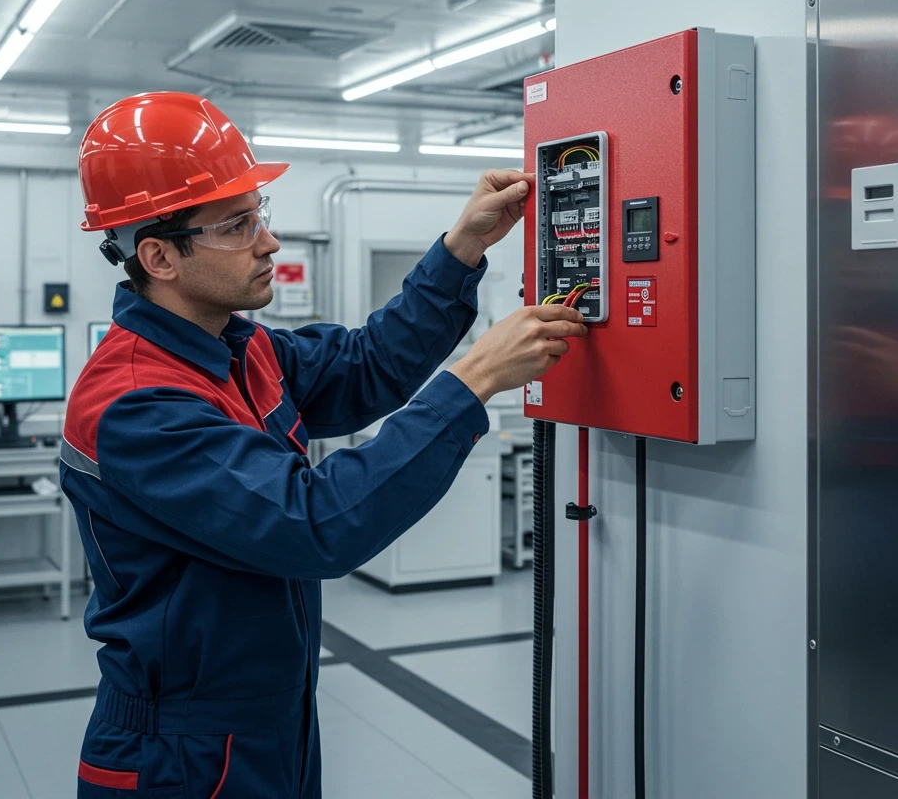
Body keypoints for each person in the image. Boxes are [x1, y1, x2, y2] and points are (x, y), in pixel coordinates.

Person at [60, 92, 584, 798]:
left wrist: (461, 249)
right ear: (159, 255)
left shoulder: (239, 349)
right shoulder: (136, 404)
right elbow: (313, 524)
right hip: (181, 749)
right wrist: (477, 376)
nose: (268, 241)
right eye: (238, 224)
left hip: (268, 717)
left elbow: (368, 367)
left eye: (260, 215)